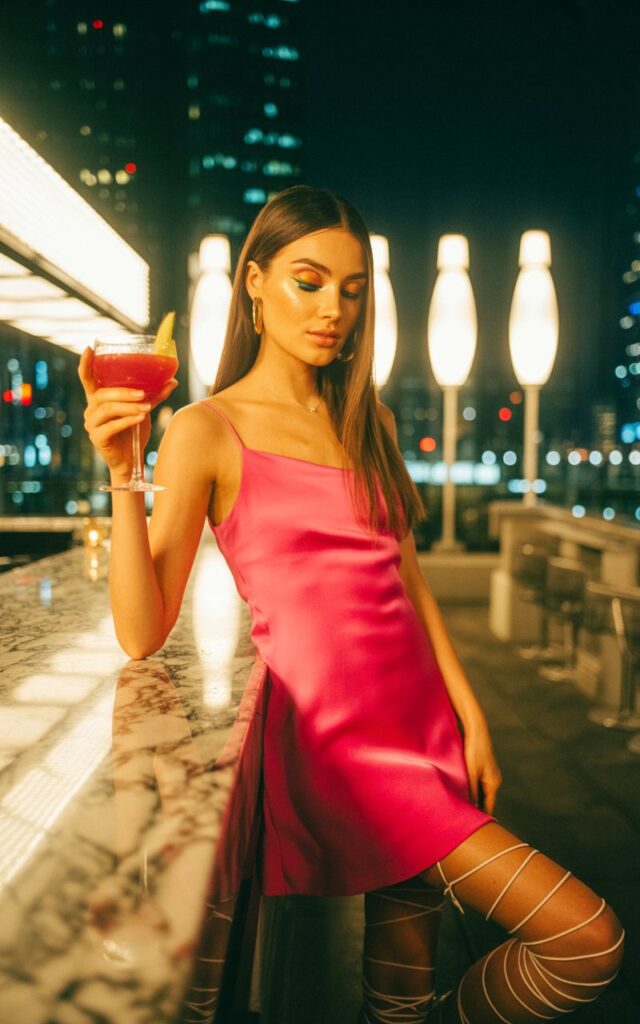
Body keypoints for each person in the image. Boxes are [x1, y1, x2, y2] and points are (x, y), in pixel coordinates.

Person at [79, 184, 624, 1024]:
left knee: (400, 1002)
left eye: (351, 288)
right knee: (588, 938)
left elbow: (407, 582)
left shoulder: (369, 421)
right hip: (342, 749)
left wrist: (470, 712)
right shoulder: (205, 428)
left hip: (422, 729)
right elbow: (142, 633)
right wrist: (123, 473)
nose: (333, 308)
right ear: (254, 284)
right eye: (308, 281)